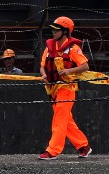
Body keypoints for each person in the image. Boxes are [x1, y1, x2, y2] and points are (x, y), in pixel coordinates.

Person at [38, 17, 92, 159]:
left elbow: (85, 66)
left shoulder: (73, 48)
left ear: (65, 31)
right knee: (66, 119)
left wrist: (68, 71)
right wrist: (44, 75)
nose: (53, 32)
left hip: (67, 87)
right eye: (53, 29)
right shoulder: (49, 48)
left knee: (59, 119)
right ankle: (83, 146)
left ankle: (53, 150)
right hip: (52, 89)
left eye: (56, 29)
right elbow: (42, 66)